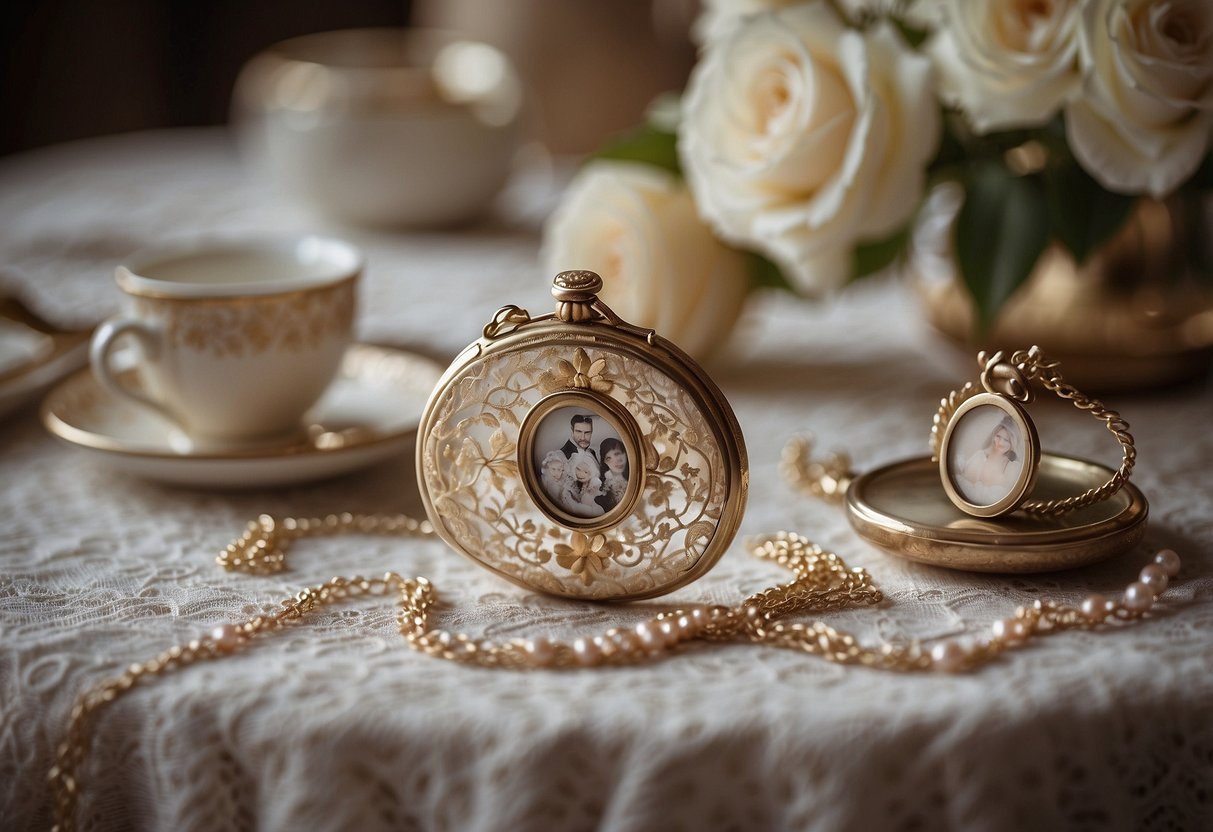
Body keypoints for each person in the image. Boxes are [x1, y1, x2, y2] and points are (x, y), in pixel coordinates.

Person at [955, 417, 1022, 505]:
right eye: (998, 436)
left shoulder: (1012, 467)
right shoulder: (980, 457)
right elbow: (967, 483)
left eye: (1006, 440)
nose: (1000, 443)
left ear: (1012, 444)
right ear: (993, 436)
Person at [560, 451, 605, 518]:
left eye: (586, 472)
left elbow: (584, 510)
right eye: (578, 469)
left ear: (592, 472)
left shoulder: (593, 485)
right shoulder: (575, 483)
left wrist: (570, 500)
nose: (580, 474)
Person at [596, 437, 629, 513]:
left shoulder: (635, 476)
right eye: (608, 458)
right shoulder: (601, 491)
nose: (615, 461)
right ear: (604, 462)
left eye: (617, 454)